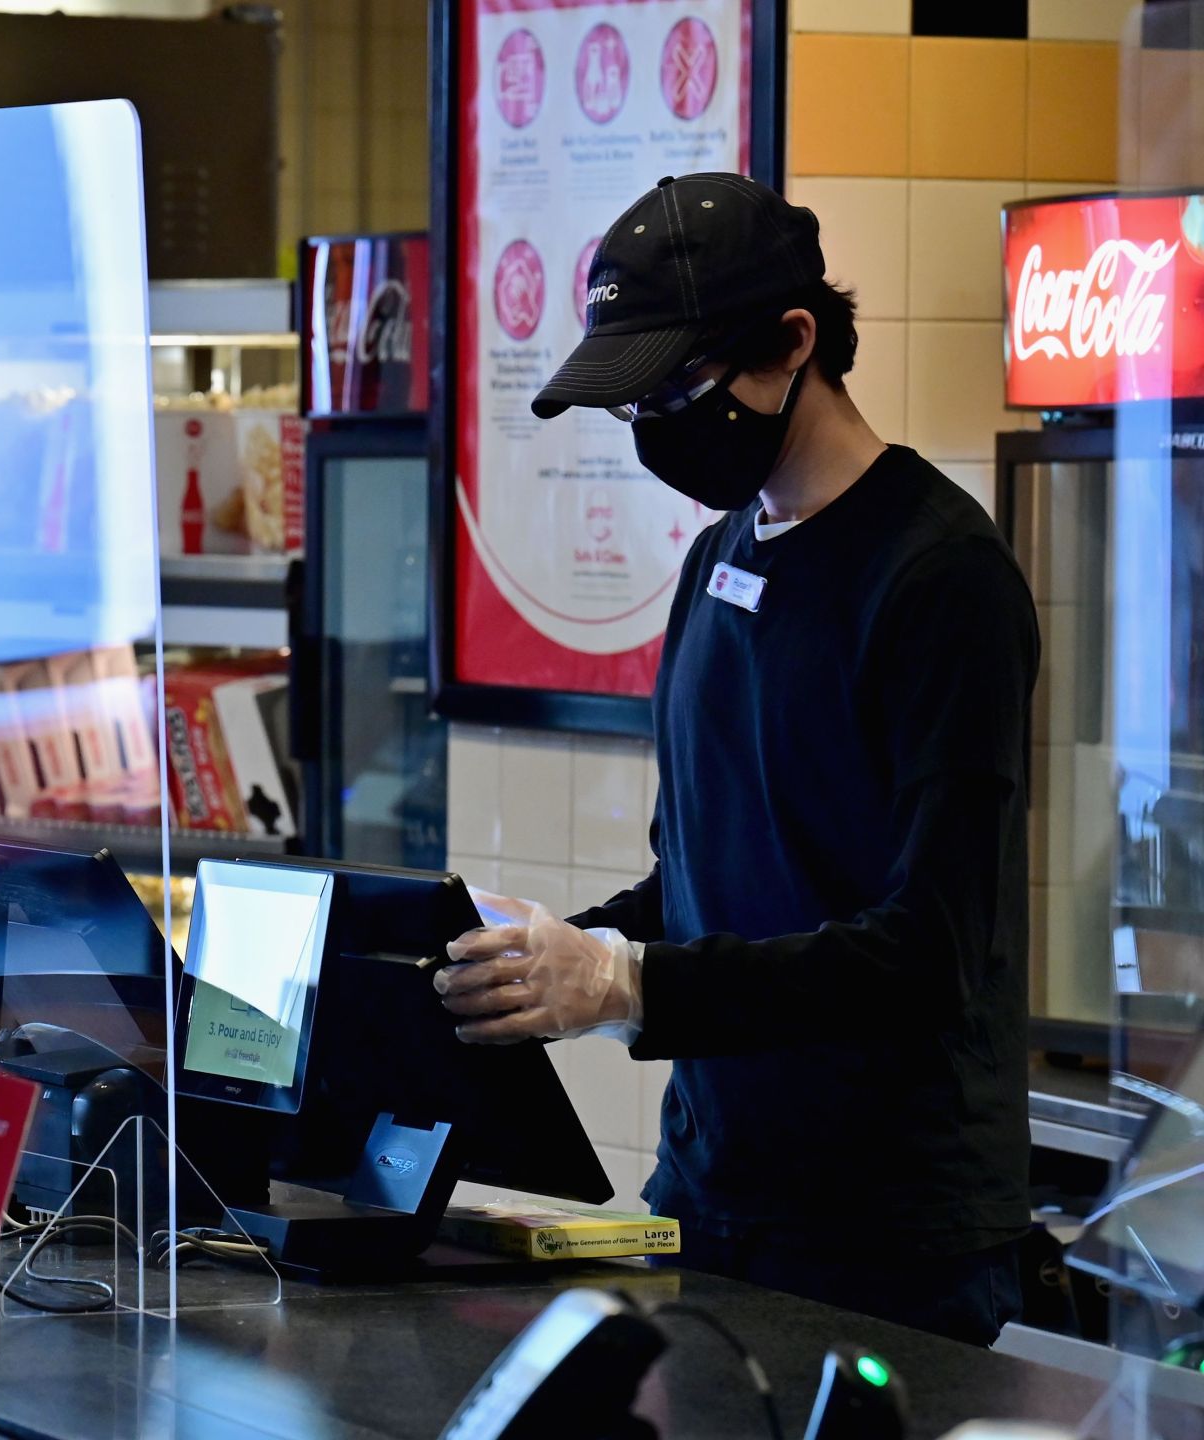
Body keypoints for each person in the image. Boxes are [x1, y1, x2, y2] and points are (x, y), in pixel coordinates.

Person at [434, 173, 1039, 1346]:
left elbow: (929, 948)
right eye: (634, 401)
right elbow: (702, 880)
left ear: (792, 344)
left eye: (676, 386)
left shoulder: (940, 579)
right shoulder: (717, 562)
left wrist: (628, 986)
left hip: (891, 1234)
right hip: (709, 1197)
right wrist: (547, 962)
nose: (656, 423)